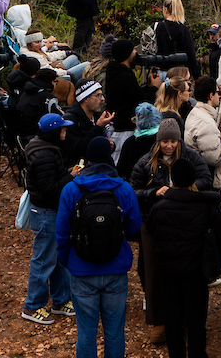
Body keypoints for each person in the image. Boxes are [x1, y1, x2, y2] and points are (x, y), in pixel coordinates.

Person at [56, 136, 143, 358]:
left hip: (81, 268)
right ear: (108, 157)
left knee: (86, 332)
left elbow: (62, 232)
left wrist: (67, 260)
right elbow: (134, 226)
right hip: (115, 268)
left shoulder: (71, 189)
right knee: (114, 332)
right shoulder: (123, 188)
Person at [146, 158, 221, 358]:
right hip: (195, 274)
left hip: (168, 273)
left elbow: (151, 230)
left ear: (173, 180)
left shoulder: (159, 207)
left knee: (172, 321)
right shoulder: (207, 207)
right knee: (196, 321)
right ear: (193, 179)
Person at [21, 113, 79, 325]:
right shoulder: (45, 154)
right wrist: (70, 176)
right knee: (43, 260)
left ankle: (61, 301)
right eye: (62, 128)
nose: (65, 131)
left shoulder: (45, 150)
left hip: (49, 211)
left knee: (55, 259)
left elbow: (50, 180)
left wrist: (65, 172)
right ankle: (32, 306)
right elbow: (50, 189)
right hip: (46, 213)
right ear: (54, 131)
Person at [184, 78, 221, 190]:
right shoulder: (207, 123)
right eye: (218, 92)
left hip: (194, 171)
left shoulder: (195, 112)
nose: (220, 96)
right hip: (204, 177)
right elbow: (214, 158)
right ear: (211, 96)